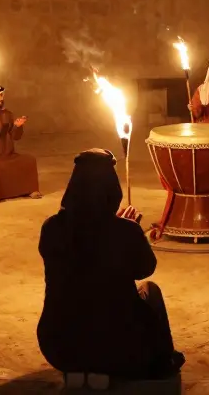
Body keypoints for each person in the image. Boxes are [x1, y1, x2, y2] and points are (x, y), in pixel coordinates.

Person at [37, 149, 184, 389]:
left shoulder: (52, 227)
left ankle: (80, 372)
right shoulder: (125, 231)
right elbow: (145, 269)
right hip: (117, 348)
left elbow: (85, 247)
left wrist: (117, 227)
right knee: (151, 291)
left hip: (59, 346)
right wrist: (130, 229)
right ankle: (162, 360)